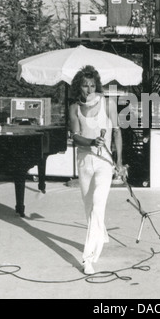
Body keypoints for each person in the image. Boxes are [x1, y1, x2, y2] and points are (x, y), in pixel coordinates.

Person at [69, 65, 124, 275]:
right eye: (85, 85)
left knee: (97, 206)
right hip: (84, 161)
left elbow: (117, 133)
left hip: (104, 163)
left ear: (97, 86)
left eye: (92, 85)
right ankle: (100, 233)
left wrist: (119, 162)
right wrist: (92, 141)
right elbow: (74, 137)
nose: (89, 89)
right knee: (88, 207)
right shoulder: (74, 107)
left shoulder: (108, 104)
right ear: (79, 87)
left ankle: (88, 258)